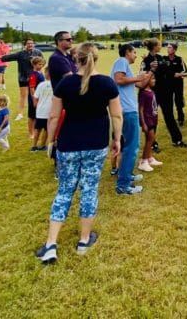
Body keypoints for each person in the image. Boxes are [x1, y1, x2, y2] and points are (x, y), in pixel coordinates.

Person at [35, 43, 122, 264]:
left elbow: (53, 116)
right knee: (89, 190)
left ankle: (51, 244)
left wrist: (51, 141)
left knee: (64, 191)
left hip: (69, 144)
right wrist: (117, 139)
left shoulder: (65, 83)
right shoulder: (107, 83)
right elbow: (116, 116)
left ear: (76, 59)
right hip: (96, 144)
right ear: (96, 58)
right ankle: (84, 240)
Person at [112, 44, 153, 195]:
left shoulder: (126, 67)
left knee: (130, 146)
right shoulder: (121, 61)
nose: (136, 55)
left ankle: (127, 176)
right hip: (127, 111)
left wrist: (151, 72)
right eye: (134, 52)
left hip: (128, 110)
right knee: (132, 147)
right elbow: (118, 79)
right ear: (127, 52)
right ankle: (123, 185)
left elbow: (141, 84)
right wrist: (137, 77)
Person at [141, 38, 187, 149]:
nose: (161, 46)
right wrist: (149, 67)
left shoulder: (160, 58)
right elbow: (143, 76)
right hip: (153, 93)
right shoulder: (146, 61)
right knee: (152, 118)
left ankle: (177, 140)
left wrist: (178, 74)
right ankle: (152, 143)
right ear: (154, 47)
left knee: (169, 116)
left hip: (165, 92)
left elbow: (167, 71)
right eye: (159, 45)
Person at [0, 38, 43, 121]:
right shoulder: (20, 54)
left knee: (35, 95)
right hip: (23, 78)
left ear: (34, 44)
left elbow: (42, 62)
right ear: (25, 45)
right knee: (23, 96)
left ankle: (38, 111)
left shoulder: (38, 53)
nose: (30, 45)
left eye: (31, 43)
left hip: (34, 78)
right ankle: (20, 114)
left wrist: (40, 71)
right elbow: (8, 57)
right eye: (28, 43)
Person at [137, 73, 163, 172]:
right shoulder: (143, 93)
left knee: (151, 139)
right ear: (147, 81)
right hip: (147, 120)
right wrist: (143, 123)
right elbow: (141, 109)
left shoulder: (151, 90)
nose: (154, 81)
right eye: (152, 79)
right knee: (150, 139)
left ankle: (149, 158)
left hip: (153, 118)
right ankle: (143, 162)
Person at [164, 42, 187, 126]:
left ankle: (181, 119)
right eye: (167, 47)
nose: (168, 49)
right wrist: (175, 74)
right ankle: (170, 120)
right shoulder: (164, 59)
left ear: (174, 50)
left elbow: (185, 71)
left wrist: (179, 74)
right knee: (168, 102)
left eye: (170, 47)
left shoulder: (179, 59)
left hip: (178, 84)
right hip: (167, 84)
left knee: (178, 102)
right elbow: (164, 71)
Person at [32, 67, 53, 151]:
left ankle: (34, 146)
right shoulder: (56, 84)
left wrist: (37, 106)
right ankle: (42, 145)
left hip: (40, 111)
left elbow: (35, 97)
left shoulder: (41, 85)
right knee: (47, 130)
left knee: (37, 129)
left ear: (45, 74)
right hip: (50, 111)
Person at [27, 56, 46, 140]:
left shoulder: (40, 73)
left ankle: (35, 132)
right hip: (33, 99)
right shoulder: (33, 75)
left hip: (40, 98)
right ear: (34, 65)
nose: (41, 66)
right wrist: (34, 100)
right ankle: (30, 133)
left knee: (36, 116)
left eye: (42, 64)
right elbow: (32, 88)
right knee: (31, 117)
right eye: (39, 64)